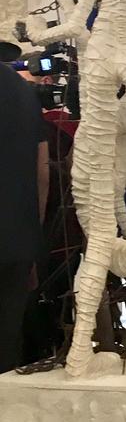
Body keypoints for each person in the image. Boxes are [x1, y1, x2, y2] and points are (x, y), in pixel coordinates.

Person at [0, 60, 48, 373]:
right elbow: (43, 171)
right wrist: (33, 236)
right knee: (6, 345)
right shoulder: (22, 90)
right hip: (17, 238)